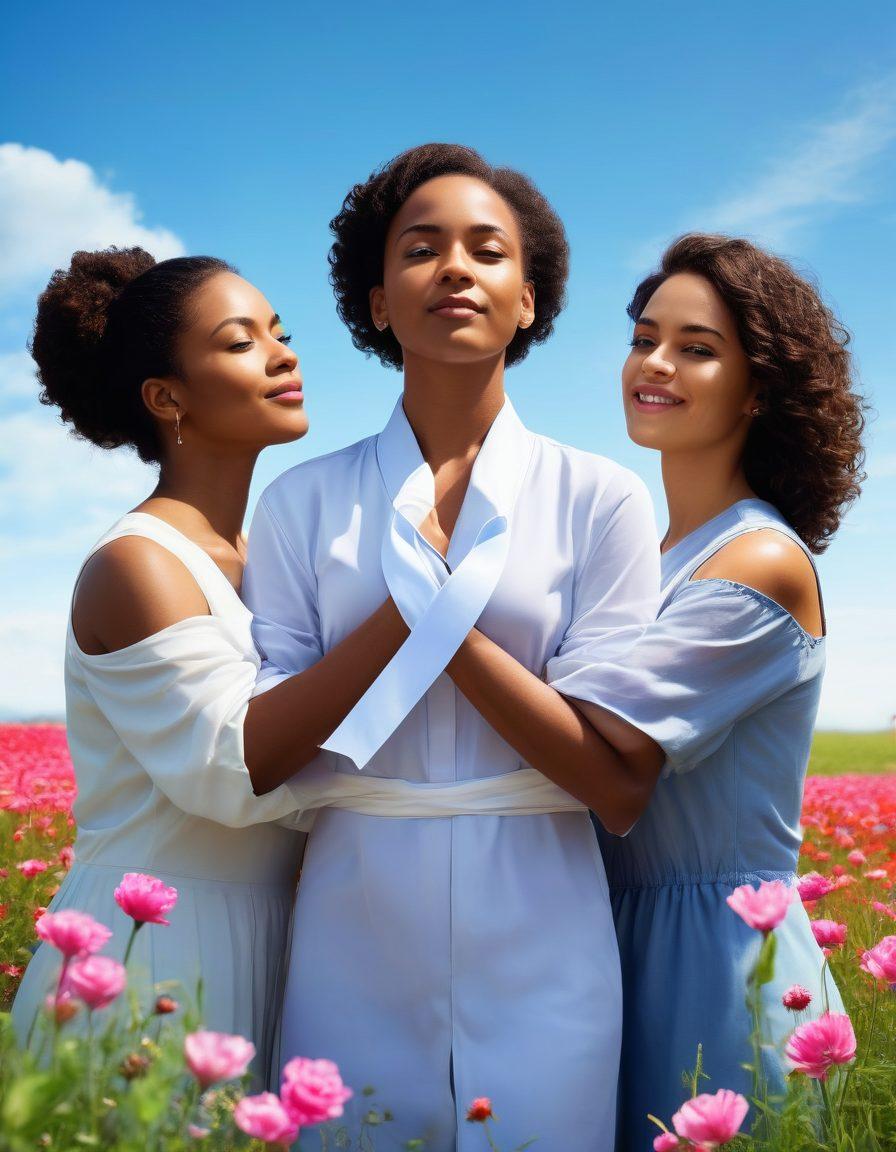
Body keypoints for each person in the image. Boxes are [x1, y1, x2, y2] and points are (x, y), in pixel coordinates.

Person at [241, 144, 663, 1151]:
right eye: (419, 249)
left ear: (528, 298)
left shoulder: (597, 495)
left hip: (545, 913)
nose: (455, 269)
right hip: (352, 912)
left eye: (487, 251)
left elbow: (618, 784)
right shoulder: (301, 498)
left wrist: (432, 613)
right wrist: (413, 609)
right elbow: (259, 752)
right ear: (377, 299)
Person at [12, 247, 413, 1073]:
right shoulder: (139, 563)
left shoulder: (264, 553)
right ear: (166, 398)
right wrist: (419, 604)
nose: (283, 354)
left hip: (279, 940)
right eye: (240, 342)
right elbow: (234, 768)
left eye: (280, 332)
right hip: (151, 952)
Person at [545, 234, 866, 1148]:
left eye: (697, 347)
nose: (655, 364)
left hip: (719, 958)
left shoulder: (759, 561)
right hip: (615, 941)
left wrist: (441, 623)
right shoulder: (650, 563)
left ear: (760, 387)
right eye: (645, 337)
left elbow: (611, 744)